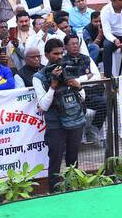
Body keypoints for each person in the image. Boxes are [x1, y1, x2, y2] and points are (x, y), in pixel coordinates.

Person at [33, 38, 88, 192]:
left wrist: (77, 86)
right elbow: (43, 105)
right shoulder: (39, 77)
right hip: (55, 123)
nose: (59, 56)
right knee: (55, 160)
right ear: (46, 54)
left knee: (73, 158)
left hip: (75, 120)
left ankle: (73, 189)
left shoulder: (69, 69)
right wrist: (53, 86)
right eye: (55, 53)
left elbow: (82, 98)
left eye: (61, 53)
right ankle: (54, 192)